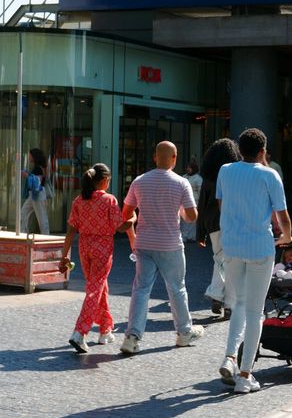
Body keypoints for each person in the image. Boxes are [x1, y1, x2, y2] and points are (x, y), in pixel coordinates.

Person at [216, 128, 292, 394]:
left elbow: (222, 204)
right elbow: (282, 215)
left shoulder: (225, 170)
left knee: (238, 302)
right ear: (263, 151)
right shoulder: (270, 174)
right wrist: (287, 236)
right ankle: (245, 375)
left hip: (232, 245)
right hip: (259, 247)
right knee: (255, 311)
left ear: (240, 149)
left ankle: (230, 356)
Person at [120, 141, 204, 354]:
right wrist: (180, 211)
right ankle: (184, 332)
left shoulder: (139, 181)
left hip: (144, 243)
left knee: (141, 289)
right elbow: (192, 216)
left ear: (155, 157)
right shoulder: (181, 183)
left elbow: (127, 212)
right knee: (177, 288)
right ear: (175, 158)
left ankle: (132, 337)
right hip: (170, 244)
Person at [60, 164, 137, 353]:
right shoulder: (109, 200)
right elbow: (121, 227)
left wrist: (64, 256)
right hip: (102, 248)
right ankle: (80, 332)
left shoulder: (79, 200)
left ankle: (105, 330)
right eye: (109, 180)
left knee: (99, 287)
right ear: (104, 181)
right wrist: (133, 218)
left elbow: (71, 230)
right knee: (95, 289)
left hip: (84, 247)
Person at [196, 138, 241, 319]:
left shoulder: (208, 179)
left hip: (212, 223)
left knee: (219, 258)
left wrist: (200, 233)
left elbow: (202, 206)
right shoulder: (236, 176)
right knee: (232, 262)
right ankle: (228, 303)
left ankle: (216, 294)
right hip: (233, 222)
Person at [20, 147, 50, 235]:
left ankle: (46, 235)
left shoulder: (38, 168)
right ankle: (23, 232)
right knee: (24, 212)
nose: (29, 157)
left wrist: (27, 175)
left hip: (38, 194)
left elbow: (37, 183)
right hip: (33, 194)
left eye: (30, 155)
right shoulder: (39, 167)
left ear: (34, 156)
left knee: (41, 217)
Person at [181, 160, 202, 242]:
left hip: (194, 200)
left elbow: (200, 191)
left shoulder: (198, 178)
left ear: (194, 169)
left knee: (193, 219)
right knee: (184, 219)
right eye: (187, 167)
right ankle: (184, 236)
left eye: (190, 168)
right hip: (184, 200)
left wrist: (200, 201)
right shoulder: (184, 177)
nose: (188, 169)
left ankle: (192, 236)